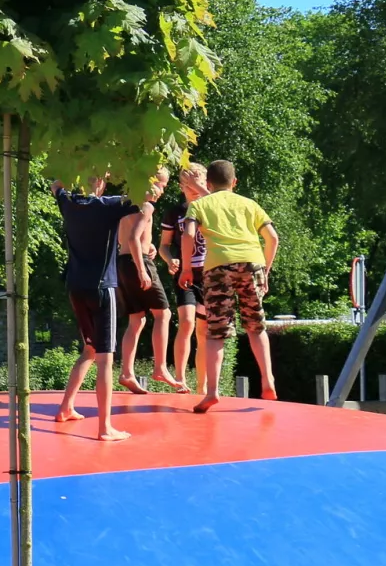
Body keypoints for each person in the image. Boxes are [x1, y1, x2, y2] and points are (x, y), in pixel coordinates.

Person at [182, 159, 280, 411]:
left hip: (218, 267)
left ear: (209, 183)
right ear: (234, 182)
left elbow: (189, 235)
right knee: (256, 325)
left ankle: (211, 391)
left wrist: (185, 268)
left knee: (216, 331)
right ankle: (267, 379)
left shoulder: (199, 204)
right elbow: (272, 238)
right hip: (252, 263)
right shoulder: (250, 204)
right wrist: (265, 269)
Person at [52, 176, 139, 442]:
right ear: (101, 182)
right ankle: (105, 428)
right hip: (102, 287)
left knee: (89, 349)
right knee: (105, 359)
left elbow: (56, 185)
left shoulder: (67, 202)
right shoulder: (109, 205)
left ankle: (66, 407)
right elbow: (142, 198)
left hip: (75, 287)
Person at [115, 171, 189, 395]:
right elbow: (133, 238)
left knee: (136, 319)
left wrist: (148, 247)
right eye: (161, 185)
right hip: (138, 264)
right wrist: (142, 268)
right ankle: (160, 368)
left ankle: (127, 372)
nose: (163, 190)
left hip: (122, 262)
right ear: (148, 181)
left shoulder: (123, 203)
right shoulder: (146, 206)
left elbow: (125, 239)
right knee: (163, 314)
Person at [160, 163, 210, 392]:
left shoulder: (212, 208)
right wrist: (170, 260)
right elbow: (164, 246)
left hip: (210, 273)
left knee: (204, 331)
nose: (192, 188)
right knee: (187, 322)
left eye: (197, 183)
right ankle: (180, 379)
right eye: (187, 184)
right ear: (181, 186)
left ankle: (203, 385)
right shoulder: (175, 212)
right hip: (186, 274)